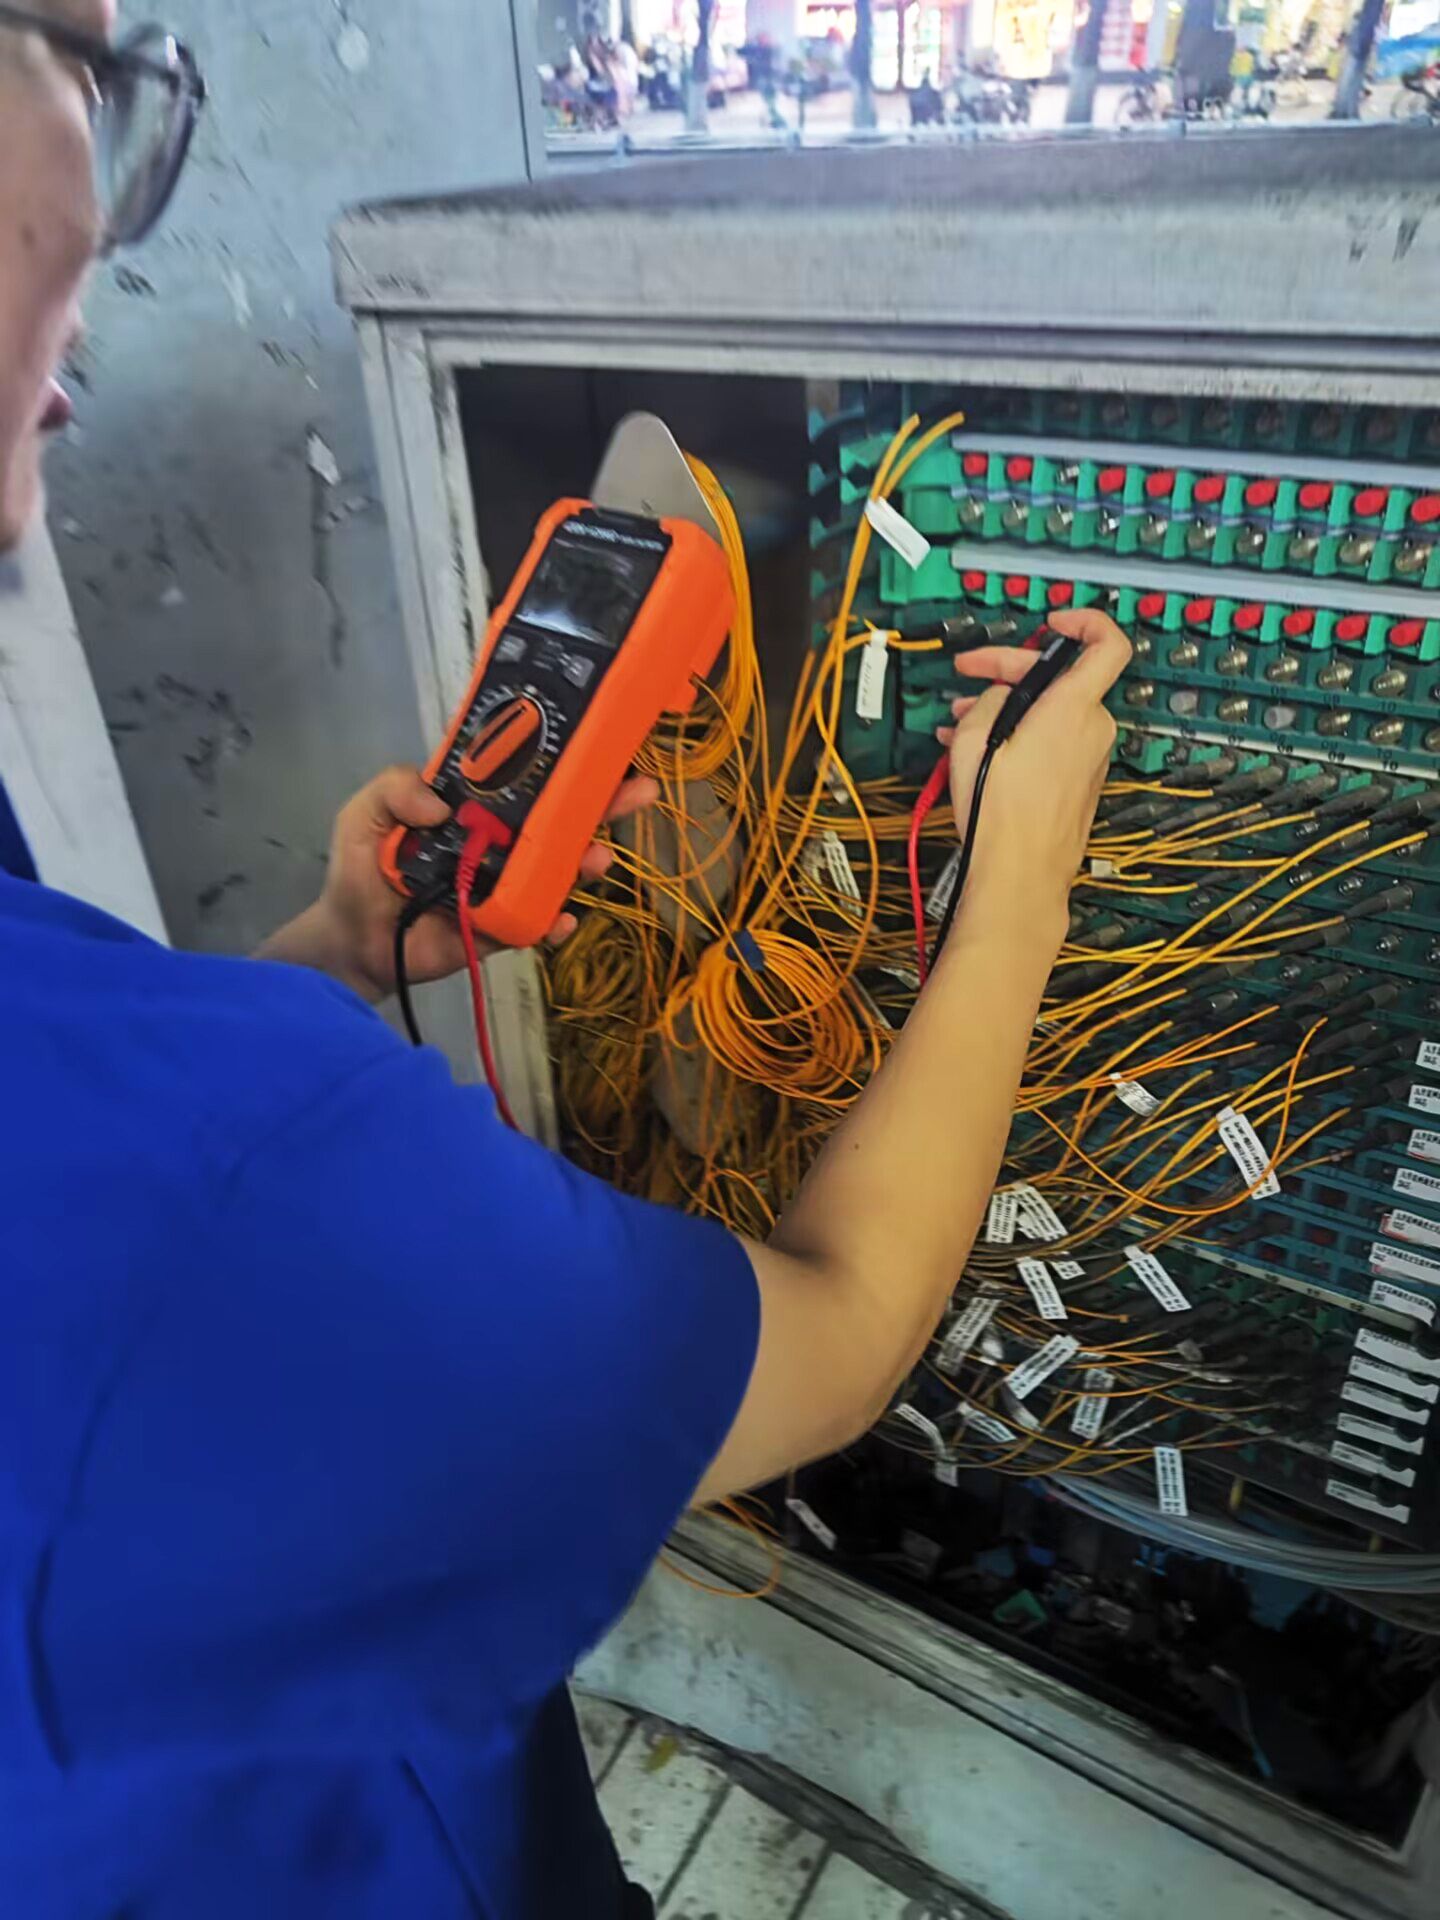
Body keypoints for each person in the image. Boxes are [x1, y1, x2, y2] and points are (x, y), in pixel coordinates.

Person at [0, 7, 1129, 1918]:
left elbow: (125, 1099)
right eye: (89, 68)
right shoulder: (251, 1198)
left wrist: (327, 955)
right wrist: (1017, 882)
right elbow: (845, 1325)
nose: (113, 212)